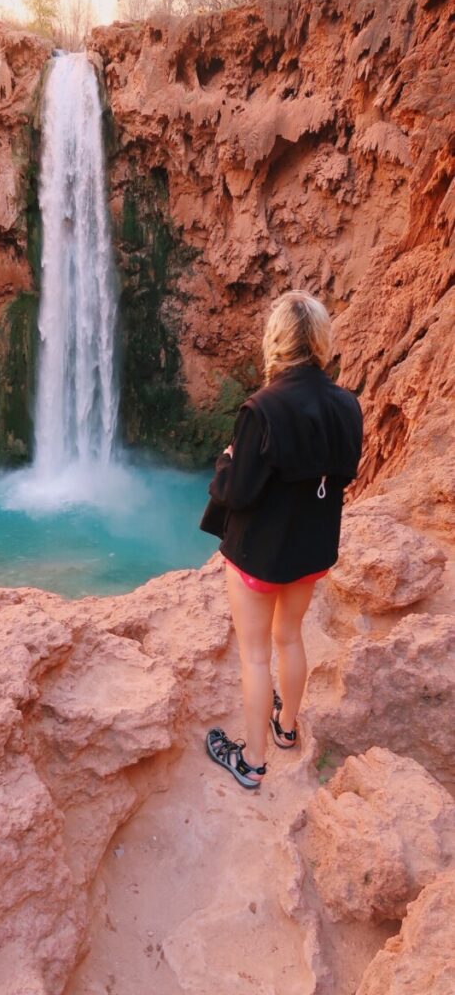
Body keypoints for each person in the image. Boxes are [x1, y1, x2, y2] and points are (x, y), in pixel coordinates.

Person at [200, 290, 362, 789]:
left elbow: (238, 492)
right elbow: (346, 472)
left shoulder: (261, 409)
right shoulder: (346, 404)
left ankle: (251, 761)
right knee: (288, 635)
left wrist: (227, 459)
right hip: (310, 548)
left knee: (254, 655)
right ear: (319, 340)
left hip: (258, 554)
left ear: (277, 340)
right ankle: (286, 729)